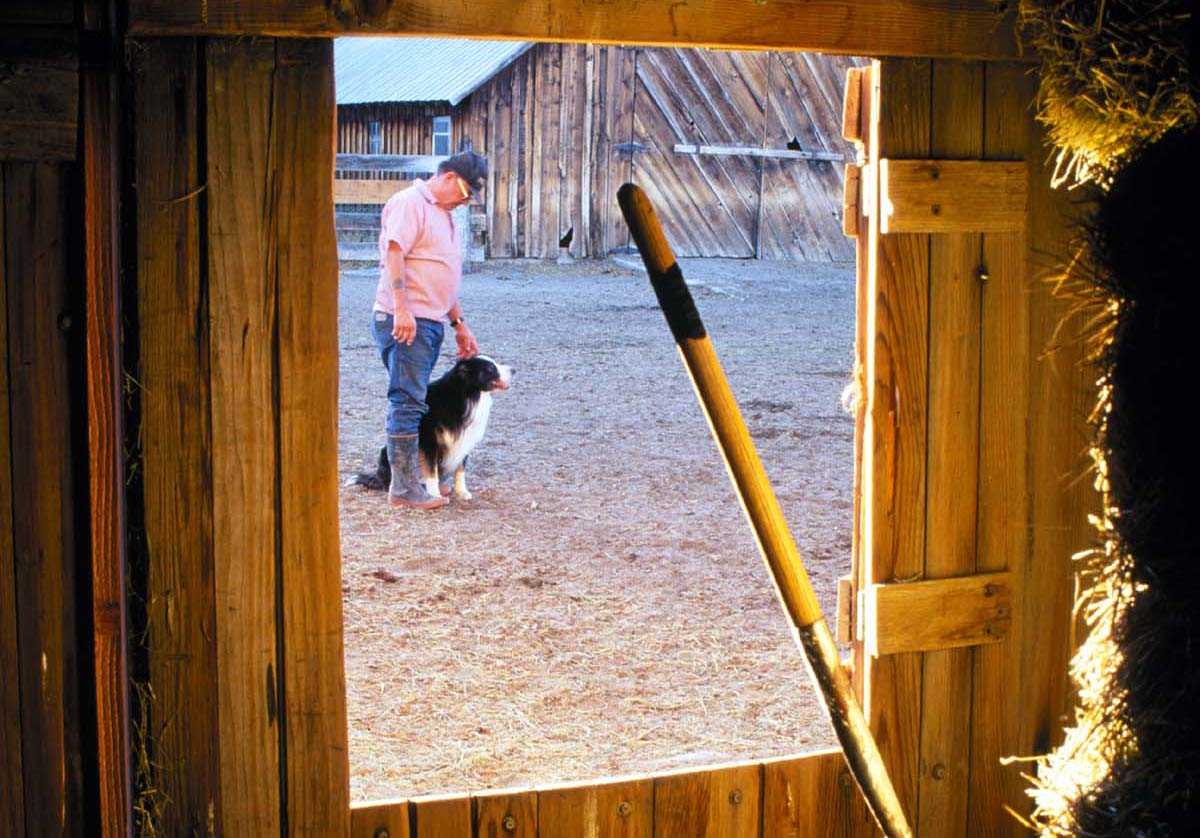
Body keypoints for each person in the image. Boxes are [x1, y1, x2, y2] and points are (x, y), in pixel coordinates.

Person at [371, 151, 486, 509]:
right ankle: (404, 488)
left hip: (432, 319)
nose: (467, 201)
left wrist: (458, 323)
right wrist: (401, 308)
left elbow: (441, 273)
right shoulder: (410, 203)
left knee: (417, 397)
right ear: (449, 177)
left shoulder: (444, 214)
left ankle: (415, 476)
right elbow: (394, 253)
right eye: (466, 192)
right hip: (407, 319)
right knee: (408, 399)